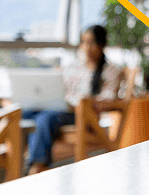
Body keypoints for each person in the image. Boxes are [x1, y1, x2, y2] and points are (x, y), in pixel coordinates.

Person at [24, 25, 124, 174]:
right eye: (83, 42)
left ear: (102, 45)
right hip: (63, 108)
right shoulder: (74, 66)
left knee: (44, 119)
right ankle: (5, 147)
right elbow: (61, 88)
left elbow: (107, 99)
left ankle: (37, 166)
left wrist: (87, 100)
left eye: (92, 43)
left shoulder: (111, 70)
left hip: (84, 115)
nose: (86, 47)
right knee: (25, 113)